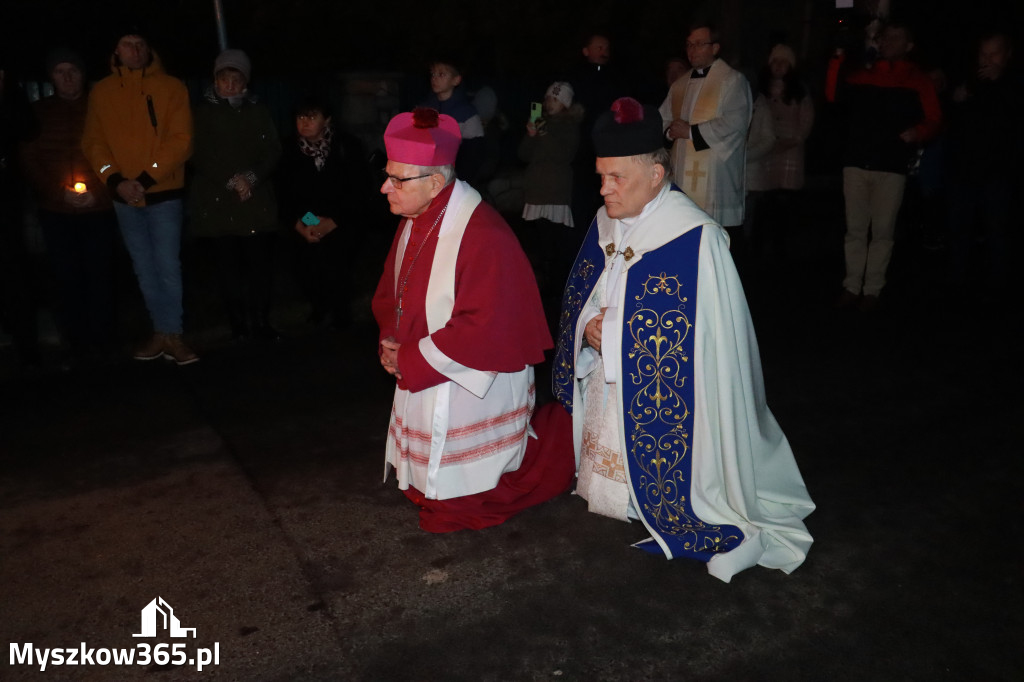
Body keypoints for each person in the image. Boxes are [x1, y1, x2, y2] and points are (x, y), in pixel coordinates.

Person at [552, 97, 814, 582]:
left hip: (685, 406)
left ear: (655, 174)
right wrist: (588, 325)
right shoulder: (607, 216)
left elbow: (700, 343)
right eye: (600, 176)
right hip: (609, 384)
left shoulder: (696, 238)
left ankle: (657, 494)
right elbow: (588, 289)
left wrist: (606, 330)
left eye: (616, 178)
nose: (604, 190)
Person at [371, 108, 574, 533]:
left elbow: (484, 328)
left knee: (463, 496)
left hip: (472, 375)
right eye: (388, 174)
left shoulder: (483, 236)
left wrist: (408, 358)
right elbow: (397, 289)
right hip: (429, 358)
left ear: (434, 183)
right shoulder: (417, 218)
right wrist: (392, 339)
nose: (384, 186)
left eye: (397, 178)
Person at [82, 25, 196, 363]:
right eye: (127, 44)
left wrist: (145, 180)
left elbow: (182, 141)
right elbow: (93, 142)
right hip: (124, 198)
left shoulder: (171, 87)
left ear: (149, 50)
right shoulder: (101, 92)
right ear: (116, 52)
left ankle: (173, 334)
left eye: (140, 44)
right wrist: (115, 179)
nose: (134, 50)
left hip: (163, 194)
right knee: (144, 268)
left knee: (166, 266)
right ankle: (160, 331)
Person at [826, 20, 942, 312]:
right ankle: (852, 285)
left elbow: (934, 119)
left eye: (896, 36)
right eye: (886, 36)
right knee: (854, 230)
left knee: (883, 232)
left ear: (908, 45)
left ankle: (873, 289)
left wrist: (918, 132)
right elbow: (832, 94)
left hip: (891, 166)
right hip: (856, 162)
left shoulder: (918, 79)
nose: (889, 41)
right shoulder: (863, 73)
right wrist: (838, 58)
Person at [23, 48, 118, 365]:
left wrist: (101, 194)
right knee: (66, 277)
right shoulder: (37, 113)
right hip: (57, 212)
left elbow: (117, 154)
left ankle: (103, 339)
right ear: (51, 77)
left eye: (72, 70)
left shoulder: (101, 108)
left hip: (98, 210)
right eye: (60, 71)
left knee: (100, 275)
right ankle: (76, 341)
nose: (66, 77)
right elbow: (31, 160)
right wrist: (58, 193)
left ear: (82, 74)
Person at [189, 49, 281, 341]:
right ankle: (238, 325)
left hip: (255, 204)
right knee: (228, 271)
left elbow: (273, 150)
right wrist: (231, 180)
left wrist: (250, 178)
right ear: (215, 80)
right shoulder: (201, 113)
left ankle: (261, 322)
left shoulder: (259, 111)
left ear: (245, 82)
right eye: (224, 78)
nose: (229, 85)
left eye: (236, 78)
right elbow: (198, 153)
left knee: (260, 270)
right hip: (218, 204)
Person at [278, 94, 373, 329]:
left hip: (342, 220)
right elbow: (284, 191)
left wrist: (333, 221)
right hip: (307, 219)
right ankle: (319, 308)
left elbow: (360, 188)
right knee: (308, 267)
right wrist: (305, 223)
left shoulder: (346, 146)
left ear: (327, 119)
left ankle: (342, 313)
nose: (305, 122)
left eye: (312, 117)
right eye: (300, 117)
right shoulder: (289, 149)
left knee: (339, 265)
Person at [945, 31, 1023, 300]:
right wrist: (955, 100)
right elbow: (949, 119)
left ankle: (998, 288)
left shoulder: (1014, 82)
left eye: (994, 53)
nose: (988, 59)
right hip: (963, 169)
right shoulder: (969, 80)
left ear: (1007, 54)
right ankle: (956, 284)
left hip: (998, 172)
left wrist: (999, 80)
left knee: (997, 230)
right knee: (958, 229)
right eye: (983, 53)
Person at [660, 22, 752, 232]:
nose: (692, 50)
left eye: (700, 44)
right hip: (681, 174)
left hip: (716, 180)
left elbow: (735, 124)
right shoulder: (679, 84)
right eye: (689, 44)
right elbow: (663, 118)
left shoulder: (732, 81)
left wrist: (690, 132)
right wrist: (669, 131)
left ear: (715, 48)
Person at [746, 44, 815, 262]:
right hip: (766, 151)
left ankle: (780, 248)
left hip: (790, 152)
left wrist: (794, 140)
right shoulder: (760, 90)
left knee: (783, 202)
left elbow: (806, 119)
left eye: (784, 62)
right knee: (763, 202)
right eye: (775, 61)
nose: (779, 66)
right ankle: (758, 247)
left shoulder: (800, 91)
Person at [518, 81, 582, 298]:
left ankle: (557, 288)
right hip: (536, 189)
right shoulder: (540, 122)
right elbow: (523, 155)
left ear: (565, 103)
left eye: (555, 99)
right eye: (548, 98)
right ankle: (541, 284)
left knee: (556, 241)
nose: (549, 103)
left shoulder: (570, 125)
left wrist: (544, 135)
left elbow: (563, 155)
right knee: (539, 240)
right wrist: (531, 134)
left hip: (555, 190)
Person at [0, 54, 41, 371]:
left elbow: (27, 128)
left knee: (14, 268)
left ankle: (27, 344)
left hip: (6, 197)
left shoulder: (9, 91)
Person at [420, 59, 485, 188]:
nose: (434, 78)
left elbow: (473, 155)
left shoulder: (467, 114)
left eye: (441, 74)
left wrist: (458, 183)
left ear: (456, 80)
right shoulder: (423, 110)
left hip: (454, 180)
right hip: (425, 177)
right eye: (433, 74)